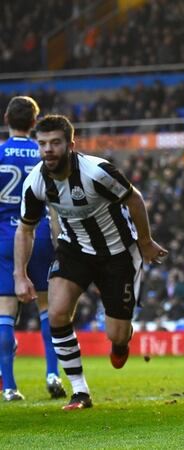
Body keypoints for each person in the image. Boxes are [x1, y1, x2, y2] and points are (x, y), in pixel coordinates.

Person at [14, 115, 167, 410]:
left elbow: (134, 199)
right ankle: (80, 391)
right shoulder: (35, 183)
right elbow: (25, 228)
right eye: (43, 144)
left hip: (118, 254)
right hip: (75, 250)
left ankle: (122, 342)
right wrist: (20, 274)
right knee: (57, 313)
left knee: (116, 334)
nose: (48, 150)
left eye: (55, 143)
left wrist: (145, 242)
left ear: (70, 145)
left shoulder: (97, 172)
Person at [0, 97, 65, 401]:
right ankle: (53, 373)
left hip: (2, 237)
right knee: (46, 309)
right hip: (36, 234)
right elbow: (53, 206)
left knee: (5, 313)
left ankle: (10, 387)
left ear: (6, 119)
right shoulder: (43, 156)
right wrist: (58, 241)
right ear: (34, 122)